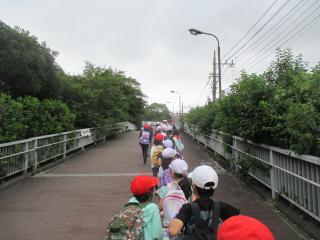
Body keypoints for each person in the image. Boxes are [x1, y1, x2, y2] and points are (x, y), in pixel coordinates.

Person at [168, 165, 240, 239]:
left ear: (193, 186)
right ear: (214, 188)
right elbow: (240, 223)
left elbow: (173, 231)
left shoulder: (187, 208)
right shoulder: (222, 207)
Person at [129, 175, 162, 240]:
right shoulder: (153, 208)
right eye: (153, 189)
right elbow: (156, 234)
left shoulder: (131, 202)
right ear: (149, 192)